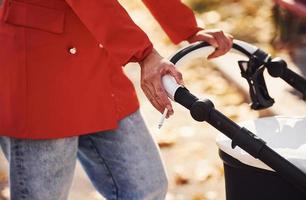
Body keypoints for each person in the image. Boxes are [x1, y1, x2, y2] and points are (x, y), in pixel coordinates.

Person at [0, 0, 233, 199]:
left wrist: (186, 28)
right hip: (39, 65)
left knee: (145, 189)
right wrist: (144, 53)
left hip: (96, 62)